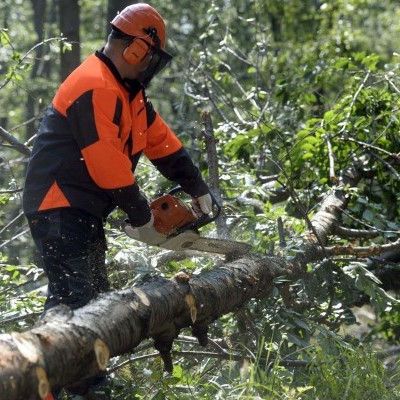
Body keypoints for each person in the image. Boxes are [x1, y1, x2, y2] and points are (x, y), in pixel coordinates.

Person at [23, 3, 212, 399]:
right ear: (136, 51)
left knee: (92, 301)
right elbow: (105, 161)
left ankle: (80, 384)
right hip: (57, 206)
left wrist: (197, 187)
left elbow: (163, 144)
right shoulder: (93, 84)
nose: (148, 68)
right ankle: (64, 386)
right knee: (74, 301)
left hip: (82, 211)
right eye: (149, 59)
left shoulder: (131, 97)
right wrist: (141, 213)